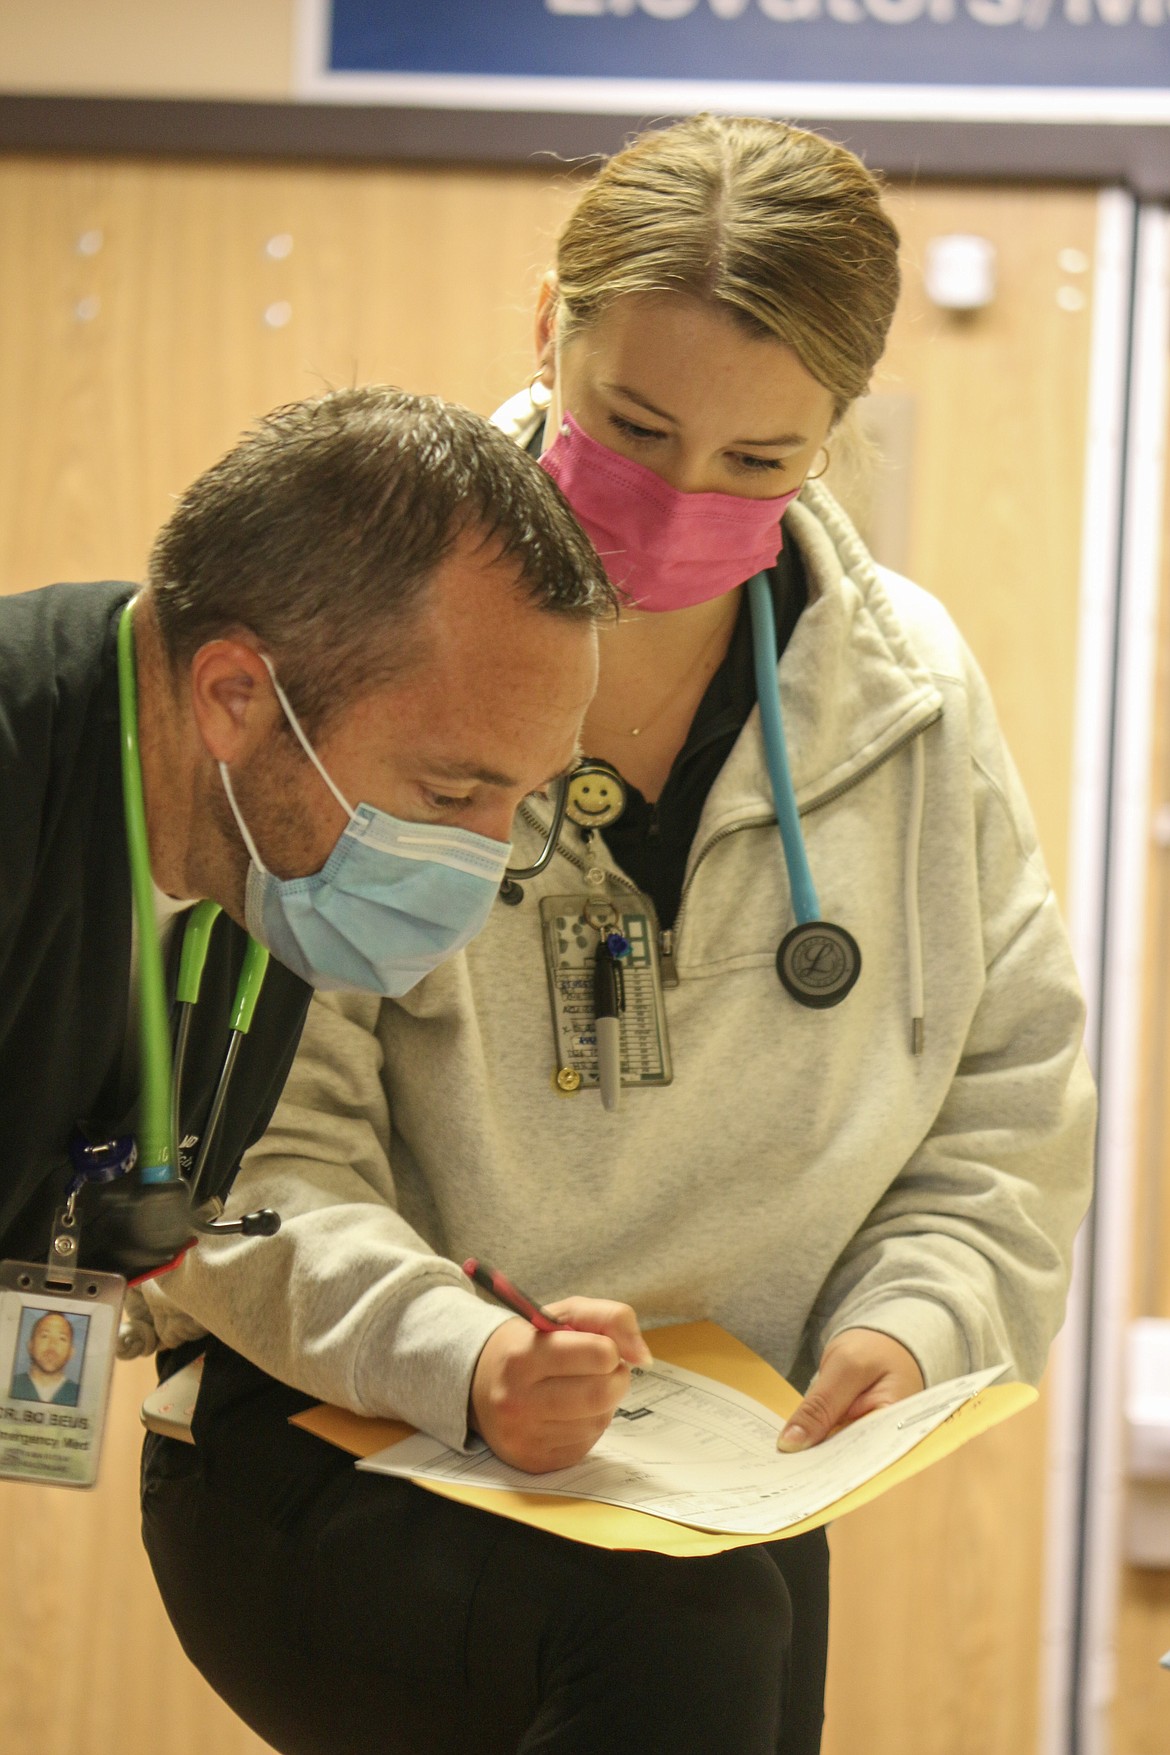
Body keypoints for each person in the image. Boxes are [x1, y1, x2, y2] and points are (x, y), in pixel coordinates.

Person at [138, 119, 1096, 1755]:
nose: (674, 505)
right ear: (546, 330)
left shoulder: (906, 700)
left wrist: (911, 1322)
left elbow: (1007, 1104)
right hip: (340, 1428)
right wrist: (478, 1356)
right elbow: (249, 1152)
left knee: (730, 1611)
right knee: (693, 1630)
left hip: (711, 1471)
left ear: (832, 433)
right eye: (635, 428)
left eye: (758, 461)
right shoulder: (367, 636)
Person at [0, 386, 610, 1284]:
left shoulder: (268, 863)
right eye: (447, 795)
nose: (478, 872)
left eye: (521, 802)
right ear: (234, 698)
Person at [10, 1311, 82, 1406]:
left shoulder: (81, 1397)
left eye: (62, 1338)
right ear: (30, 1346)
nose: (52, 1345)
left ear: (71, 1352)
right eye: (45, 1336)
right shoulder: (10, 1385)